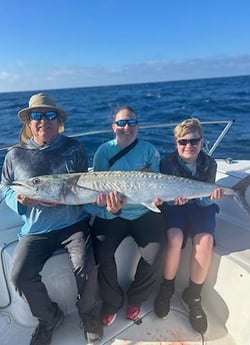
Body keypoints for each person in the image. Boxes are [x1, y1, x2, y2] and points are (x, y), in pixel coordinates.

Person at [1, 93, 103, 345]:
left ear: (58, 120)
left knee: (86, 267)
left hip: (73, 223)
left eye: (50, 115)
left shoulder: (74, 148)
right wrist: (21, 202)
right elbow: (7, 188)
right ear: (29, 122)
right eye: (36, 115)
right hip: (36, 228)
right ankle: (49, 317)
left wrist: (101, 204)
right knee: (20, 276)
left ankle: (89, 314)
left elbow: (84, 186)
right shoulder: (14, 154)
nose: (43, 120)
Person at [90, 105, 165, 327]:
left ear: (138, 126)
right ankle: (112, 302)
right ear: (114, 127)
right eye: (121, 122)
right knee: (101, 252)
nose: (126, 127)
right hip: (114, 213)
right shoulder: (103, 152)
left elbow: (156, 182)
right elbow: (97, 188)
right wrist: (109, 207)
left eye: (131, 122)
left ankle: (136, 298)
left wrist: (157, 197)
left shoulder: (149, 150)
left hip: (143, 212)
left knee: (155, 252)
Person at [154, 118, 224, 335]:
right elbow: (162, 195)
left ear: (202, 141)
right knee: (174, 238)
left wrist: (210, 197)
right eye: (183, 142)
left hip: (202, 206)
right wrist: (171, 200)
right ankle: (166, 289)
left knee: (205, 242)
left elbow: (204, 200)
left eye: (194, 141)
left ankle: (193, 296)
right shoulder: (166, 163)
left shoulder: (209, 164)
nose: (188, 146)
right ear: (176, 143)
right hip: (176, 207)